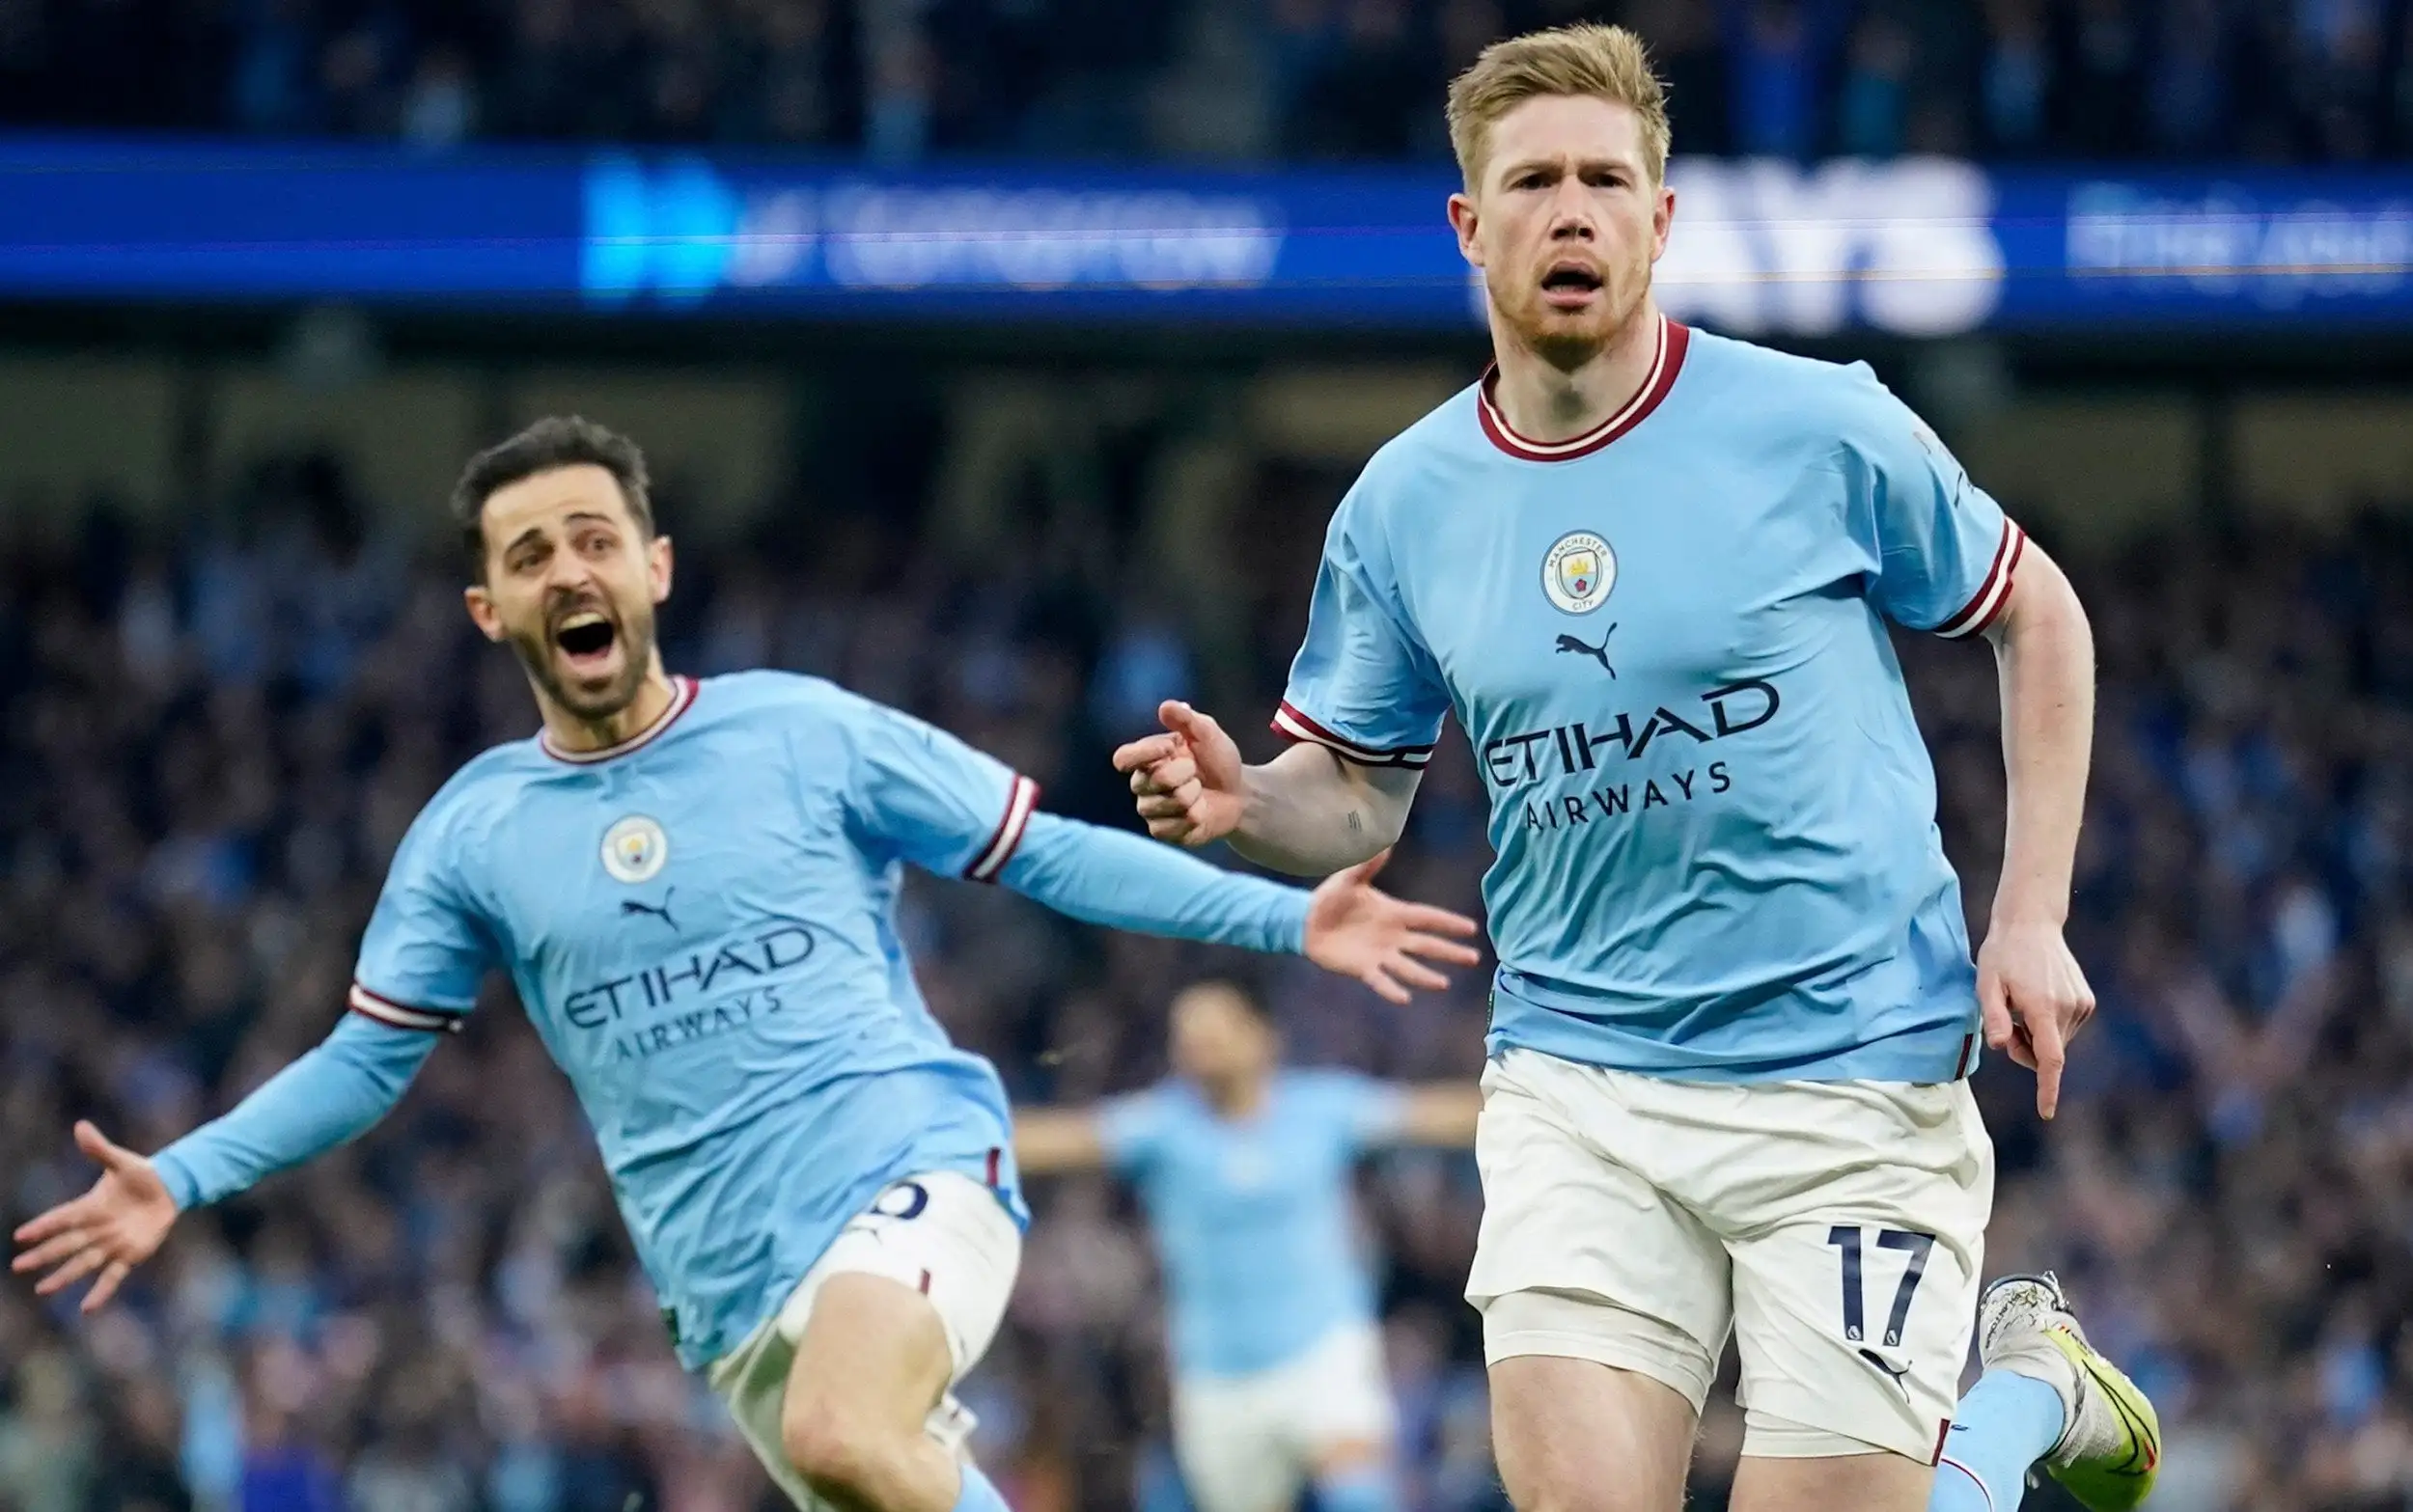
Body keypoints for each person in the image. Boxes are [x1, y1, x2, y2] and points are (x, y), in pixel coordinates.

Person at [11, 417, 1483, 1512]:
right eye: (530, 554)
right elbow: (367, 1058)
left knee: (849, 1426)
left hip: (913, 1163)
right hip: (724, 1292)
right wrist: (181, 1174)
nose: (569, 568)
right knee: (870, 1458)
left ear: (653, 566)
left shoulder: (805, 731)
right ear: (490, 609)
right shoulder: (472, 832)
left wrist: (1285, 917)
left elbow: (1043, 853)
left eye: (595, 537)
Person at [1110, 24, 2156, 1512]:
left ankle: (2026, 1389)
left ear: (1661, 219)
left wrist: (2031, 911)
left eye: (1606, 180)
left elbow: (2037, 612)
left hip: (1851, 1068)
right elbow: (1351, 795)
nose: (1573, 212)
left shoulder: (1816, 424)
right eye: (1533, 181)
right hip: (1580, 1081)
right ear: (1470, 225)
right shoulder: (1404, 505)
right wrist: (1243, 805)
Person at [1014, 980, 1479, 1512]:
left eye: (1215, 1030)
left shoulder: (1320, 1110)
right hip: (1219, 1375)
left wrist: (1540, 1103)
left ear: (1262, 1036)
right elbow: (1062, 1139)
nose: (1200, 1046)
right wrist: (957, 1133)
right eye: (1187, 1037)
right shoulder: (1161, 1127)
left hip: (1323, 1351)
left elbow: (1433, 1114)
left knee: (1360, 1495)